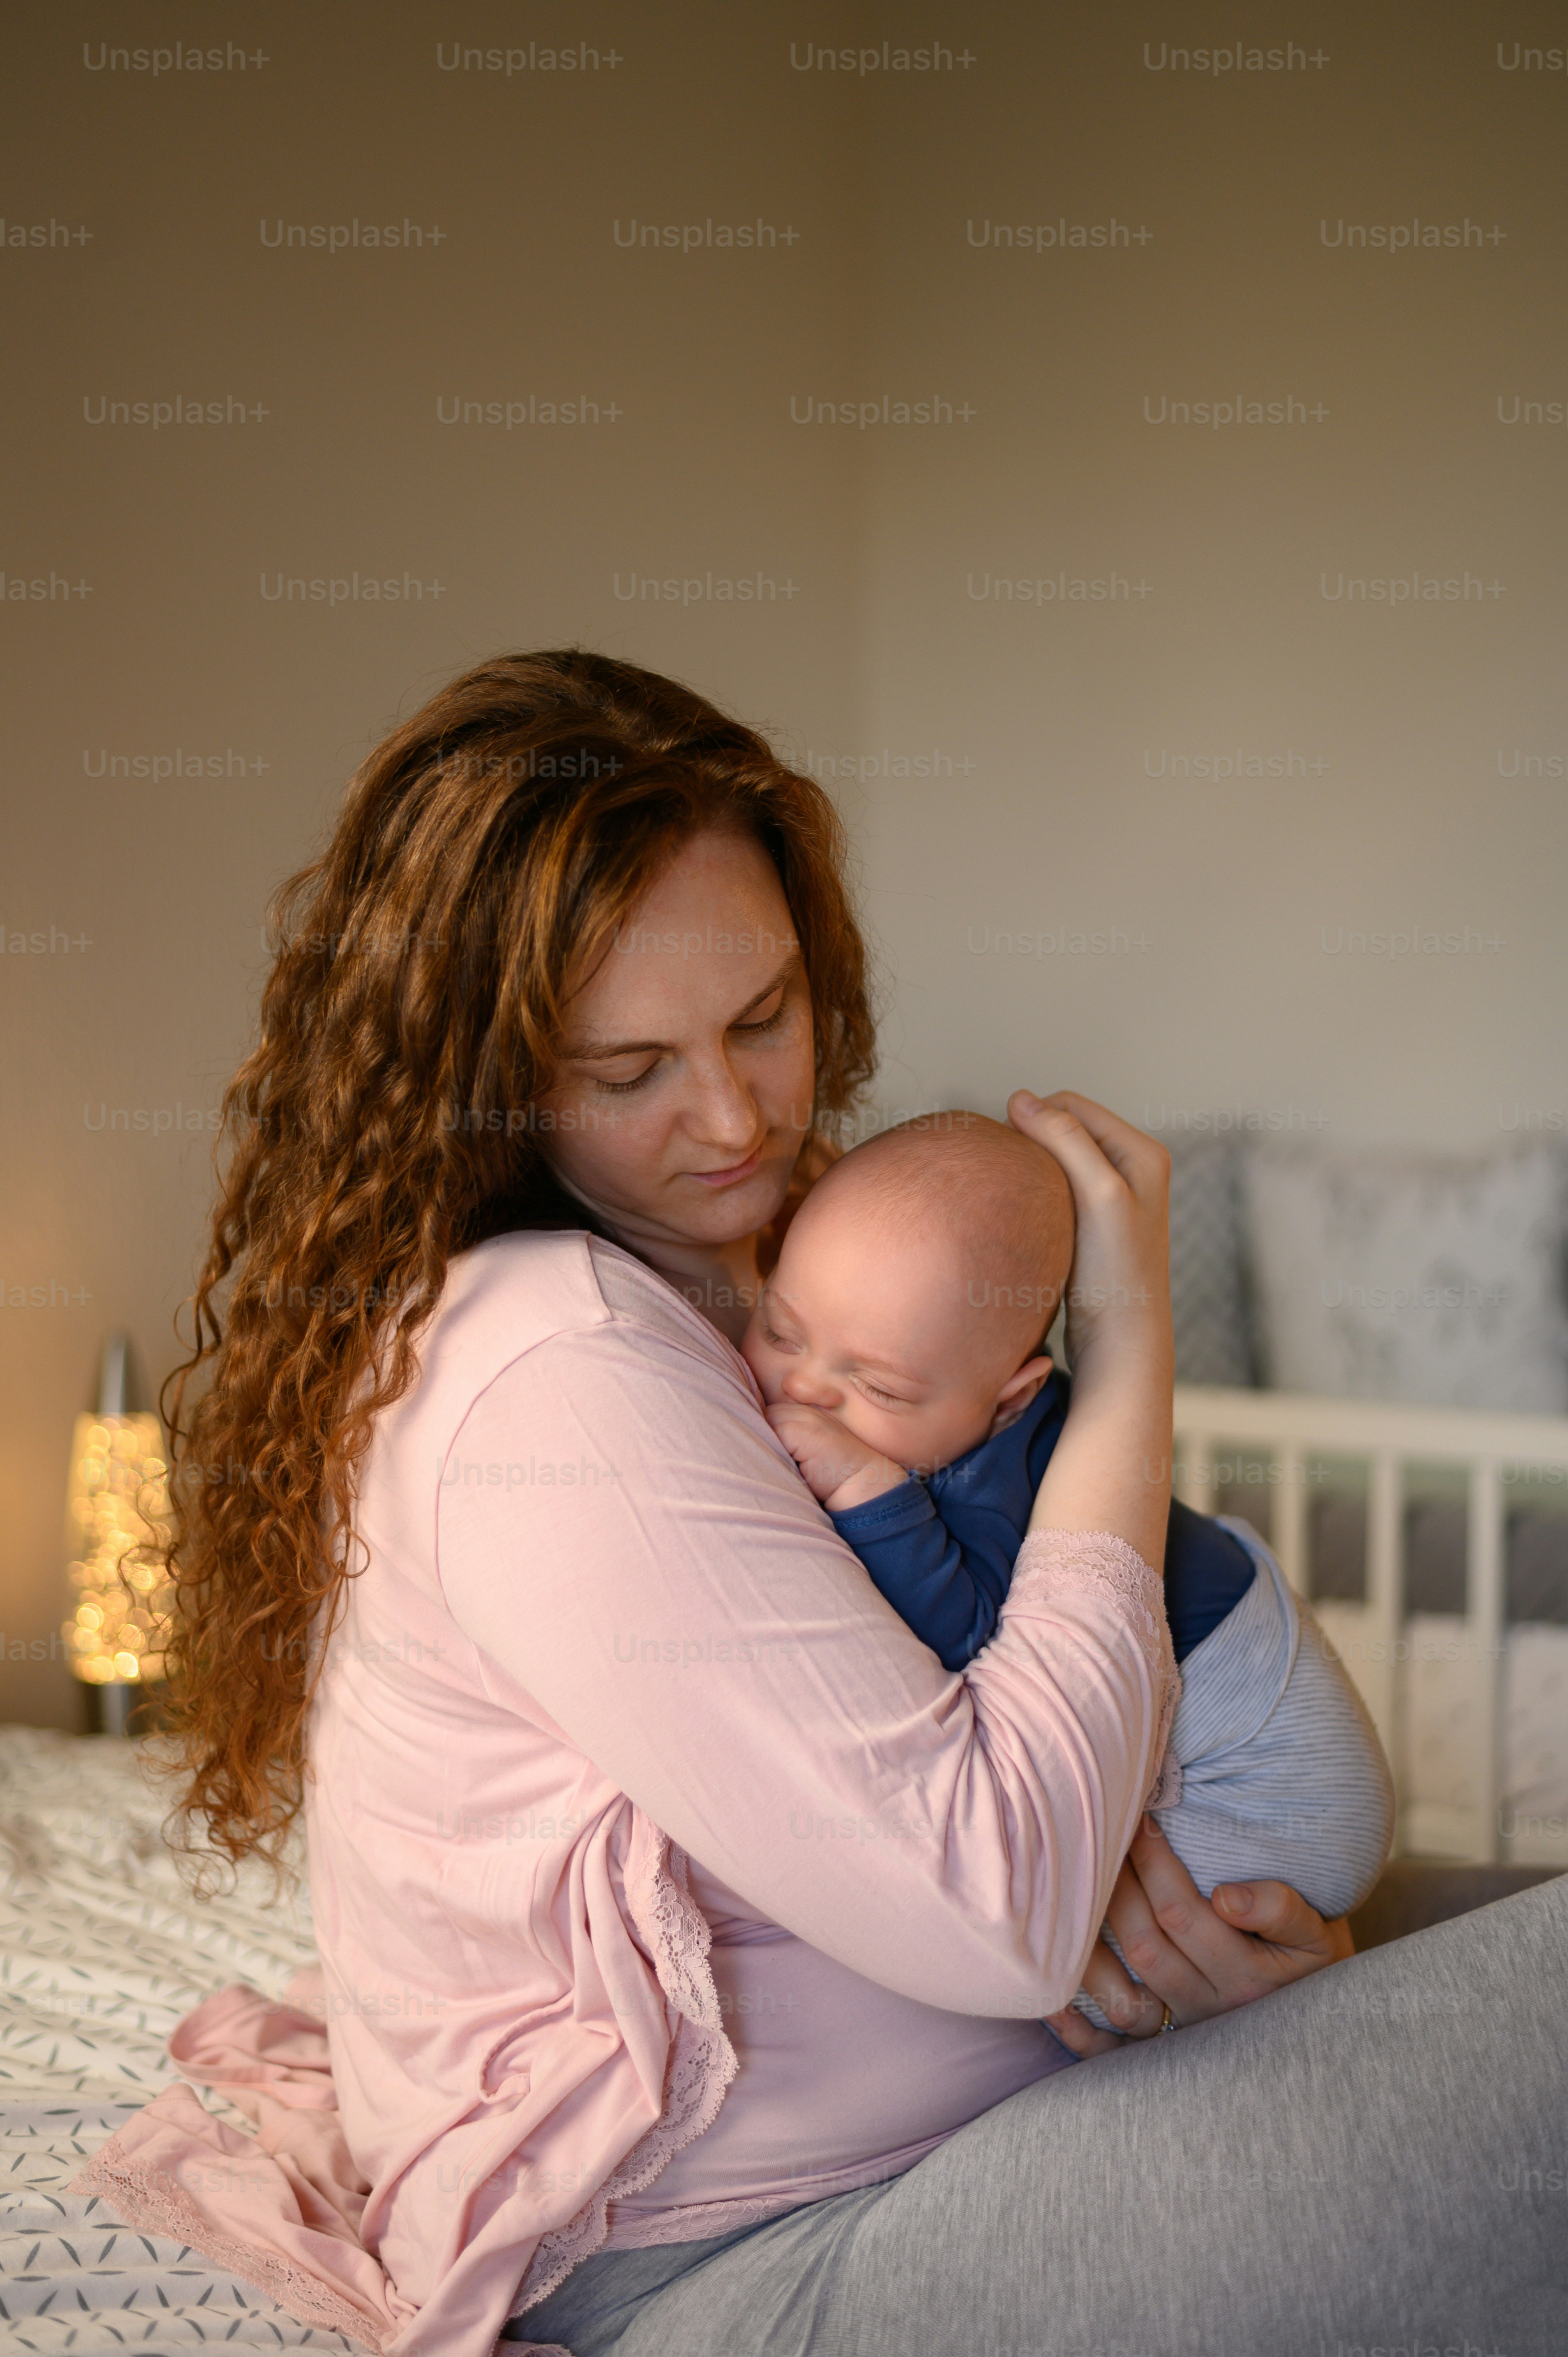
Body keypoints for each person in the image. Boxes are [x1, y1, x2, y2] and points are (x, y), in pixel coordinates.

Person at [147, 652, 1565, 2357]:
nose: (739, 1114)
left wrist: (1266, 1971)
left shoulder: (760, 1283)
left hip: (1006, 2104)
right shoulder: (557, 1359)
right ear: (497, 1077)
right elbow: (1005, 1904)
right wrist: (1123, 1358)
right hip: (754, 2261)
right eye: (629, 1071)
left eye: (762, 1018)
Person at [742, 1111, 1395, 2023]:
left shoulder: (1004, 1477)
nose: (802, 1389)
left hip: (1268, 1787)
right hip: (1257, 1718)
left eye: (879, 1389)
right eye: (779, 1330)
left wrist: (862, 1485)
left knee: (1059, 1942)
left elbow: (973, 1638)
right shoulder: (945, 1416)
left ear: (1010, 1398)